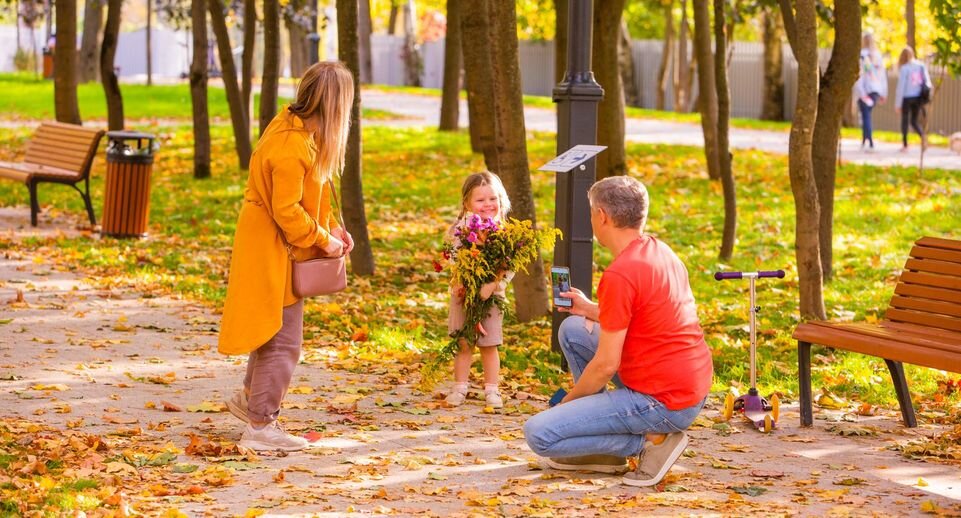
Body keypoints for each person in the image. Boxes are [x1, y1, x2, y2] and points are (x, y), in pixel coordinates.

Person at [524, 176, 713, 488]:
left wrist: (567, 403)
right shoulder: (659, 250)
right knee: (574, 329)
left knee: (540, 434)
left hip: (664, 400)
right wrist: (587, 308)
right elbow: (646, 317)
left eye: (590, 213)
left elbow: (605, 365)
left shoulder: (620, 274)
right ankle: (604, 447)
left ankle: (649, 443)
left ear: (602, 216)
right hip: (688, 384)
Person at [217, 62, 355, 452]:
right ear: (335, 105)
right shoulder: (292, 146)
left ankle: (250, 402)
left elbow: (311, 196)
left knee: (270, 328)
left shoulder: (293, 128)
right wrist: (324, 241)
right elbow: (288, 211)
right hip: (270, 246)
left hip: (269, 242)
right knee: (284, 340)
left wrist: (333, 228)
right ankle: (261, 427)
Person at [445, 172, 513, 409]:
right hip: (463, 292)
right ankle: (460, 387)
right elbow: (454, 259)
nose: (487, 205)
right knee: (464, 342)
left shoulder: (504, 232)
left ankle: (492, 390)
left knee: (489, 343)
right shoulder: (461, 231)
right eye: (480, 200)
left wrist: (492, 286)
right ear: (467, 203)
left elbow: (508, 267)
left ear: (500, 200)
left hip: (492, 296)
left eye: (492, 199)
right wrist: (463, 284)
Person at [895, 46, 932, 152]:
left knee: (905, 121)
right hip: (918, 97)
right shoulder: (920, 66)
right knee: (914, 121)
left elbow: (901, 87)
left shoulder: (904, 68)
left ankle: (905, 144)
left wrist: (898, 104)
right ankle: (922, 136)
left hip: (907, 98)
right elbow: (927, 82)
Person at [854, 33, 887, 151]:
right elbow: (882, 76)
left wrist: (861, 92)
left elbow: (860, 76)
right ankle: (864, 141)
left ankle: (870, 142)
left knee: (866, 115)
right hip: (875, 90)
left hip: (865, 90)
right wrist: (883, 92)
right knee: (866, 114)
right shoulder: (878, 56)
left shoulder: (862, 56)